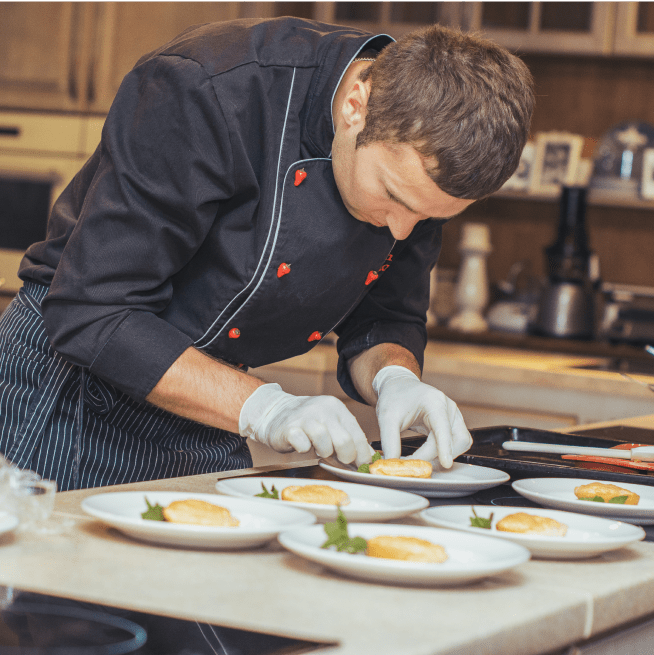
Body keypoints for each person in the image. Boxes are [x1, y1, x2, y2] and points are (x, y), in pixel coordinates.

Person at [0, 17, 534, 491]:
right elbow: (93, 312)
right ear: (356, 106)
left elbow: (385, 318)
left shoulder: (419, 161)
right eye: (393, 197)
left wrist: (396, 378)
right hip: (69, 392)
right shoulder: (206, 88)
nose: (401, 228)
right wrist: (265, 407)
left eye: (430, 218)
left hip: (209, 409)